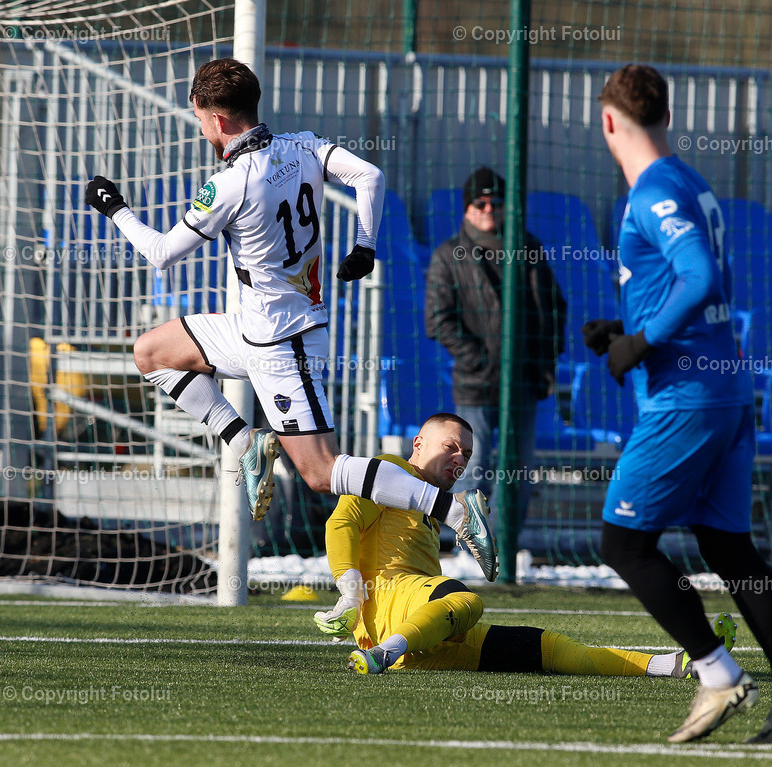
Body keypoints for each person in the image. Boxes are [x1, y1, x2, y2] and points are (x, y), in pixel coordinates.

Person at [84, 58, 497, 580]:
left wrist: (116, 209)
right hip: (251, 329)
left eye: (200, 118)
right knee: (152, 352)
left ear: (216, 118)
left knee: (322, 472)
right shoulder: (302, 145)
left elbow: (163, 253)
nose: (201, 128)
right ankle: (243, 439)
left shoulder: (230, 183)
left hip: (285, 343)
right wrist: (364, 245)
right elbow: (369, 175)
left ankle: (457, 511)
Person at [586, 63, 772, 744]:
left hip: (687, 396)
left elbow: (698, 275)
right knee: (730, 547)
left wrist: (645, 338)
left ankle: (719, 673)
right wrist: (623, 328)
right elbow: (682, 279)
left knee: (623, 541)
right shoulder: (690, 177)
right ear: (669, 113)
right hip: (724, 388)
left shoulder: (655, 186)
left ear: (609, 122)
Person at [312, 412, 737, 678]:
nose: (460, 458)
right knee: (466, 600)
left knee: (547, 647)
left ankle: (669, 665)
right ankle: (386, 653)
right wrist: (350, 590)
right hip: (389, 603)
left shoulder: (427, 498)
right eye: (451, 447)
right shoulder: (388, 470)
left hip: (424, 634)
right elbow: (342, 521)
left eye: (466, 453)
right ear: (417, 444)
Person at [425, 167, 566, 526]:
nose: (489, 208)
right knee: (472, 467)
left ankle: (506, 548)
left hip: (524, 379)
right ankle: (471, 548)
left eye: (497, 201)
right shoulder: (447, 256)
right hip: (477, 384)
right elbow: (438, 321)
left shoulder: (528, 248)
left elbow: (555, 309)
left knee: (518, 471)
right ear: (467, 207)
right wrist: (485, 363)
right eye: (480, 202)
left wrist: (544, 362)